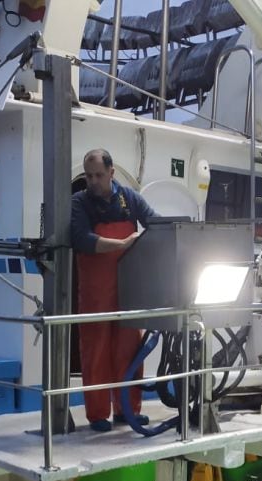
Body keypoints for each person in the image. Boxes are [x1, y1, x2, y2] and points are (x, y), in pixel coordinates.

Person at [71, 148, 158, 432]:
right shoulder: (79, 203)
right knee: (95, 350)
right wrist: (121, 245)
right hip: (96, 291)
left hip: (127, 287)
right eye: (88, 175)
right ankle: (97, 414)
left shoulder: (130, 199)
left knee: (128, 348)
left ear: (111, 173)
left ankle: (127, 410)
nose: (92, 181)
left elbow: (154, 223)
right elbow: (82, 239)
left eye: (98, 175)